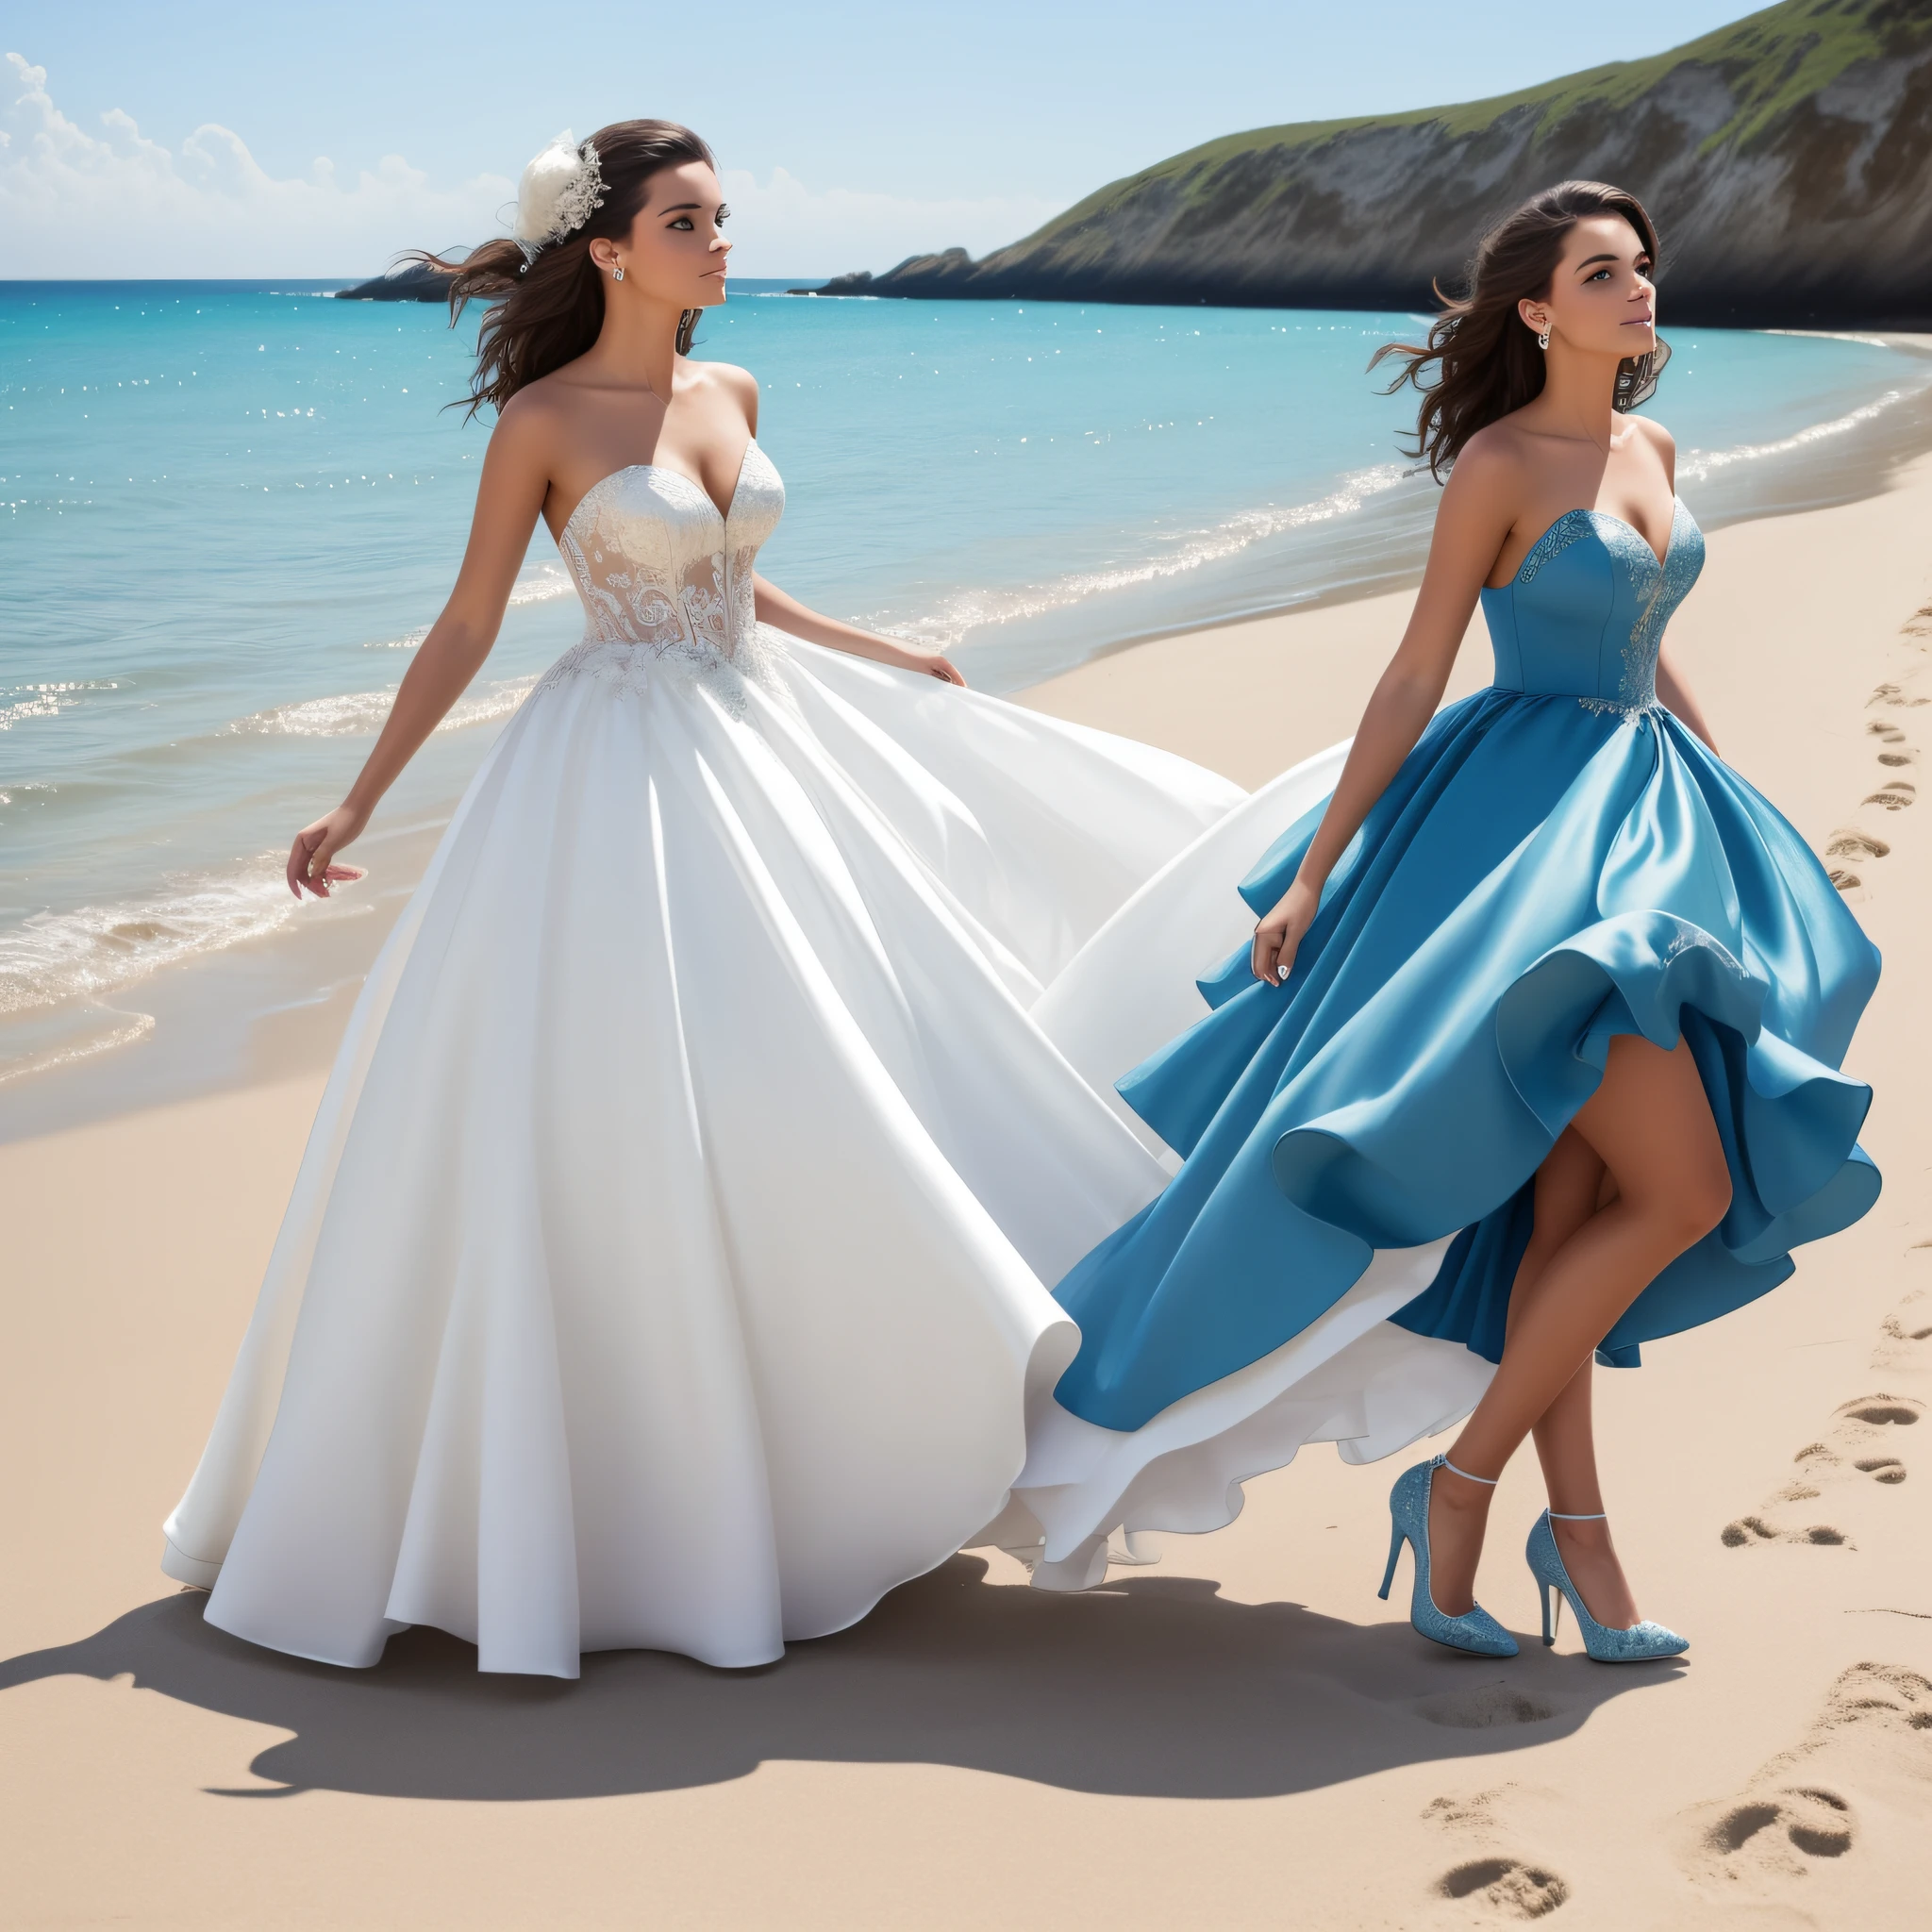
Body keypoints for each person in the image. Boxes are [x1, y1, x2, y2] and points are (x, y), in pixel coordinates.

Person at [160, 122, 1243, 1678]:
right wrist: (360, 795)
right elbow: (471, 620)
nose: (721, 244)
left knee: (864, 1059)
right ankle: (650, 1505)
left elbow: (740, 582)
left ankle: (847, 1430)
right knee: (653, 1102)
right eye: (688, 221)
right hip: (615, 782)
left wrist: (886, 650)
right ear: (607, 248)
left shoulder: (733, 390)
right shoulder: (541, 418)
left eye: (724, 218)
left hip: (763, 739)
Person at [994, 182, 1879, 1660]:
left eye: (1643, 267)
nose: (1640, 288)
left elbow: (1648, 653)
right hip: (1519, 846)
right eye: (1606, 272)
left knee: (1583, 1207)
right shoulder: (1500, 461)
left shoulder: (1654, 445)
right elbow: (1415, 674)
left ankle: (1571, 1543)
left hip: (1648, 824)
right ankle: (1466, 1492)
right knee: (1686, 1194)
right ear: (1538, 310)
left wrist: (1737, 802)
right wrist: (1314, 871)